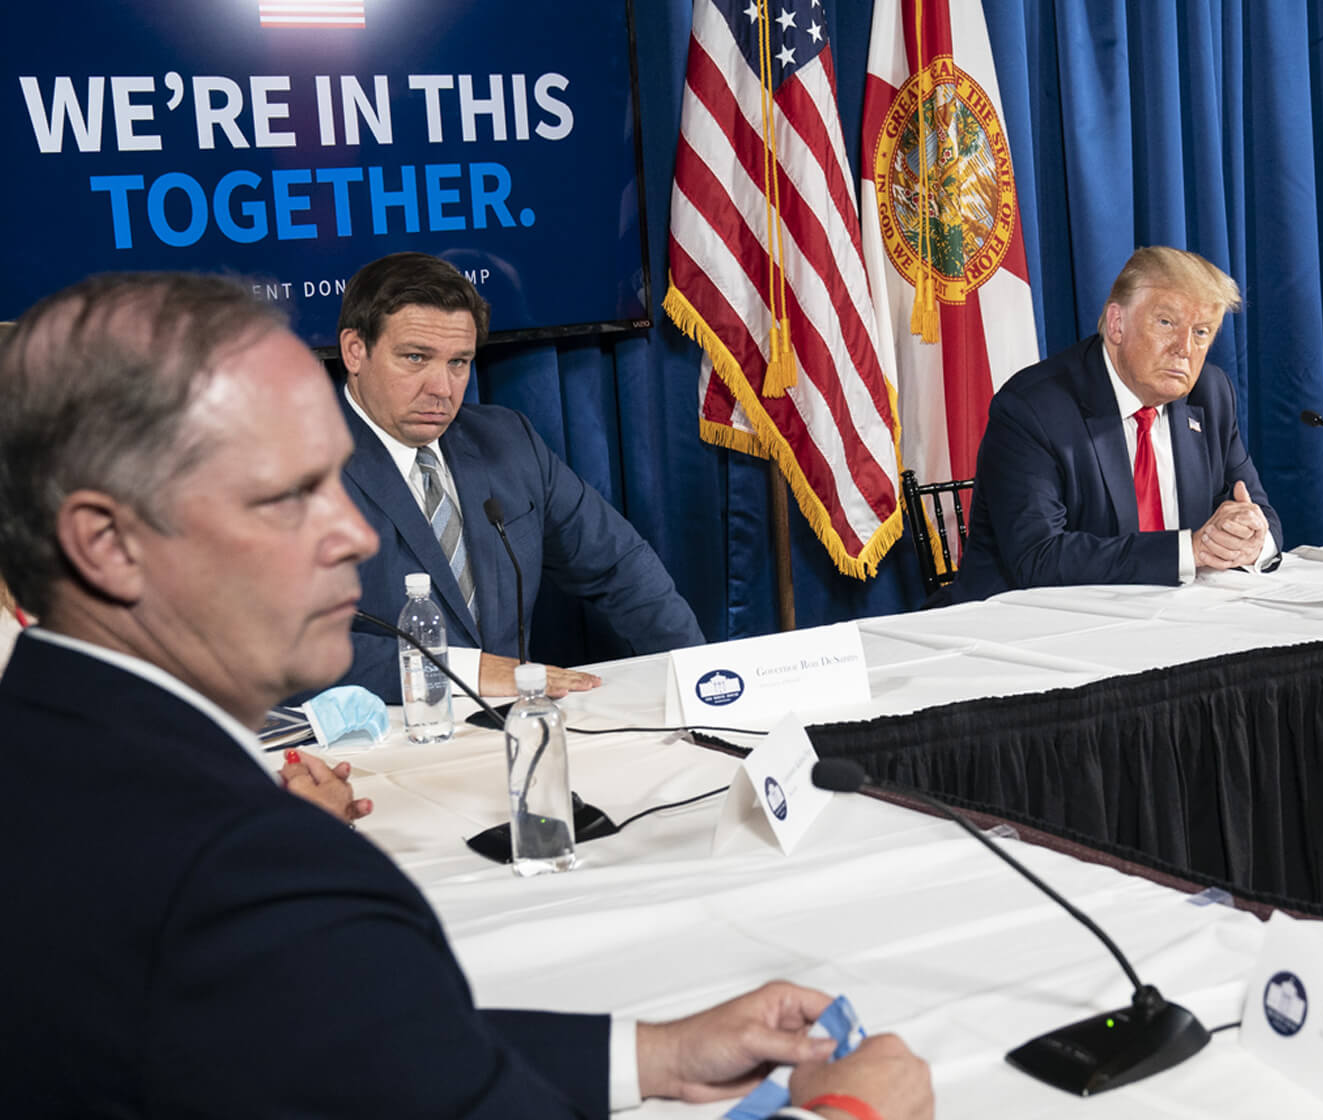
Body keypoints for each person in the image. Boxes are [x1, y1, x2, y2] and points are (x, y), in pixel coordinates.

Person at [0, 272, 932, 1119]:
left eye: (335, 480)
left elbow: (368, 1054)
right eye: (288, 496)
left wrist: (653, 1054)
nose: (356, 538)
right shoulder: (246, 867)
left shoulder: (60, 747)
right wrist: (852, 1116)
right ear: (106, 544)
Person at [334, 252, 704, 702]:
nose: (443, 388)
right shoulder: (288, 472)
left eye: (458, 362)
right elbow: (278, 652)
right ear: (356, 350)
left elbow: (620, 566)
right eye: (416, 357)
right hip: (382, 744)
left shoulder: (507, 440)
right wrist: (469, 671)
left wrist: (700, 681)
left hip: (519, 728)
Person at [947, 246, 1281, 603]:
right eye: (1166, 323)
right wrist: (1190, 551)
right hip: (1027, 627)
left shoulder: (1210, 395)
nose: (1184, 348)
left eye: (1201, 332)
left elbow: (1261, 513)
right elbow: (1036, 558)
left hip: (1168, 618)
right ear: (1117, 324)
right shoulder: (1033, 408)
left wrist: (1249, 537)